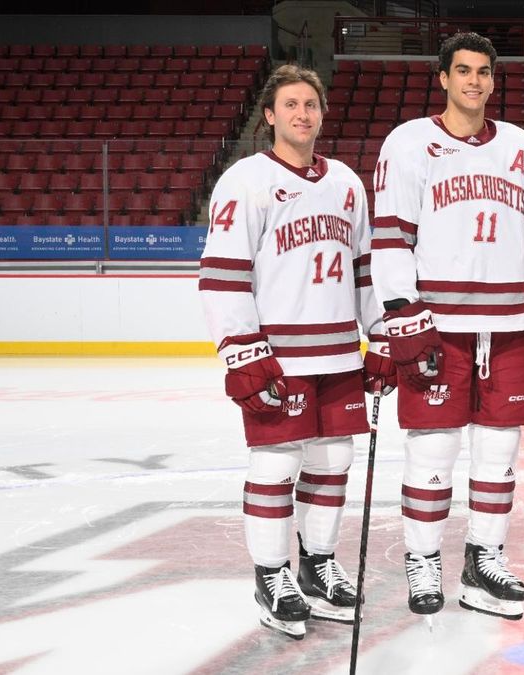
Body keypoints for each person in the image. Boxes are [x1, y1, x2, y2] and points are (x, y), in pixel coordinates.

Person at [366, 32, 524, 621]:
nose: (474, 81)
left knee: (498, 455)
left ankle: (484, 558)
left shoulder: (520, 147)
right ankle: (424, 558)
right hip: (437, 327)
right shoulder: (408, 144)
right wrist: (400, 311)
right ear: (442, 77)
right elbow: (390, 238)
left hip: (507, 326)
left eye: (483, 72)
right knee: (432, 454)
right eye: (462, 70)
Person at [198, 64, 379, 640]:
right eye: (292, 105)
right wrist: (243, 350)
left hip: (338, 355)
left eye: (312, 105)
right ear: (270, 115)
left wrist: (382, 336)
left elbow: (364, 272)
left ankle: (318, 563)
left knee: (332, 465)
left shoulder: (348, 183)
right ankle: (271, 576)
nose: (303, 114)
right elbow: (223, 276)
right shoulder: (244, 181)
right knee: (276, 468)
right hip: (279, 356)